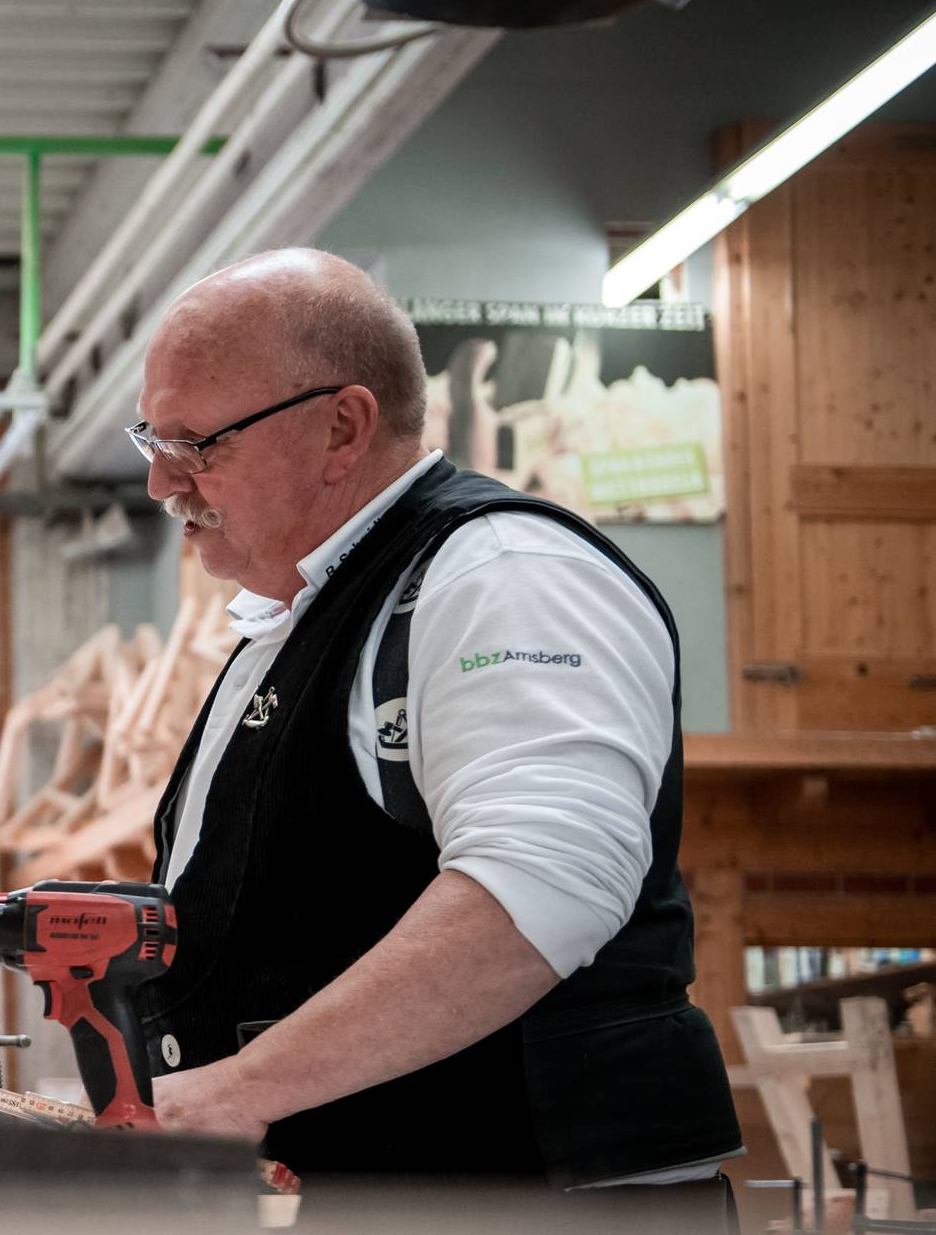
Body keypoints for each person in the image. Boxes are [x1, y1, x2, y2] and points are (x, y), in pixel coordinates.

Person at [127, 250, 741, 1218]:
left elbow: (539, 885)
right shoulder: (301, 618)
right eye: (151, 439)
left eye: (196, 442)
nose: (163, 481)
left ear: (342, 427)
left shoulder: (501, 575)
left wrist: (241, 1088)